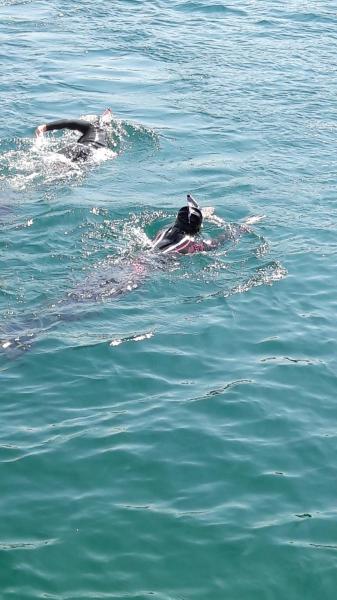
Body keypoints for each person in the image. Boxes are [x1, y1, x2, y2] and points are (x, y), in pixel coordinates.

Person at [151, 194, 258, 254]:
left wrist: (201, 214)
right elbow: (218, 242)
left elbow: (184, 221)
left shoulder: (163, 232)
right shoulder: (191, 244)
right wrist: (243, 227)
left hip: (144, 257)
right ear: (198, 229)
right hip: (161, 263)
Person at [35, 108, 113, 161]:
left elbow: (69, 122)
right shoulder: (107, 139)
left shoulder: (92, 126)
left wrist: (45, 127)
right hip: (93, 155)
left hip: (78, 148)